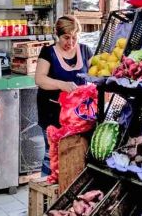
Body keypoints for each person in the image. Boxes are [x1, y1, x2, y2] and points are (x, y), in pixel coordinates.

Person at [35, 16, 93, 176]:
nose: (71, 42)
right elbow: (39, 79)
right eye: (66, 37)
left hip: (78, 115)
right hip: (52, 113)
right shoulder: (48, 52)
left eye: (75, 38)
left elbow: (97, 74)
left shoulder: (85, 51)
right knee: (52, 154)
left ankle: (69, 190)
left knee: (75, 152)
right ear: (57, 35)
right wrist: (62, 85)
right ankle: (48, 194)